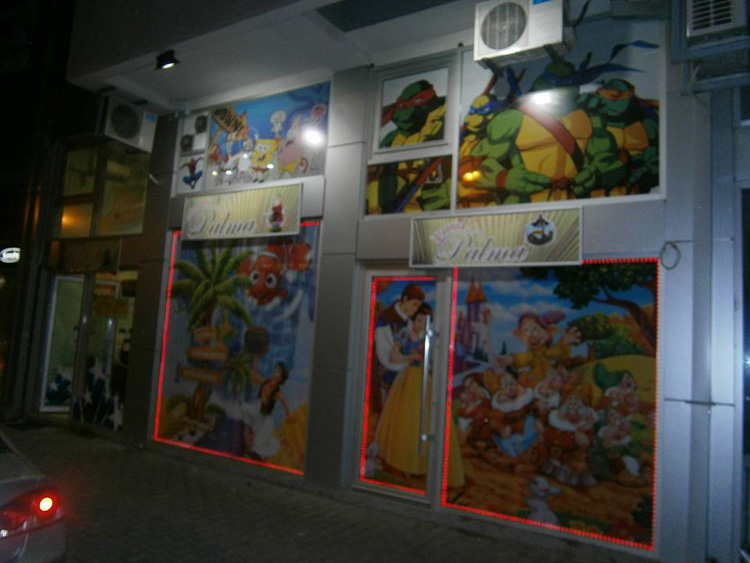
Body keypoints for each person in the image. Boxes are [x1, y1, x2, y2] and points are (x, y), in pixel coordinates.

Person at [375, 304, 465, 488]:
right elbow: (393, 357)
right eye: (418, 320)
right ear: (413, 320)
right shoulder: (404, 335)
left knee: (426, 419)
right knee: (406, 420)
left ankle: (425, 466)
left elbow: (435, 362)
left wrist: (427, 363)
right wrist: (409, 358)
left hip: (425, 381)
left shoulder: (430, 339)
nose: (420, 325)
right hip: (407, 379)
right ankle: (402, 464)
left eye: (424, 322)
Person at [372, 283, 425, 407]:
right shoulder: (384, 321)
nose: (416, 309)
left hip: (404, 376)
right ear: (405, 299)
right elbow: (385, 356)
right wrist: (408, 362)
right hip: (387, 379)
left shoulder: (408, 321)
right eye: (414, 304)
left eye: (418, 306)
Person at [241, 361, 292, 459]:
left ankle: (256, 455)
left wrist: (289, 416)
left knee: (259, 440)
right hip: (257, 410)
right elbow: (254, 377)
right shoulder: (266, 381)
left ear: (280, 379)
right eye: (276, 370)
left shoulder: (277, 392)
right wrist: (255, 362)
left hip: (265, 417)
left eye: (278, 372)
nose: (275, 372)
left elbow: (285, 402)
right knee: (243, 409)